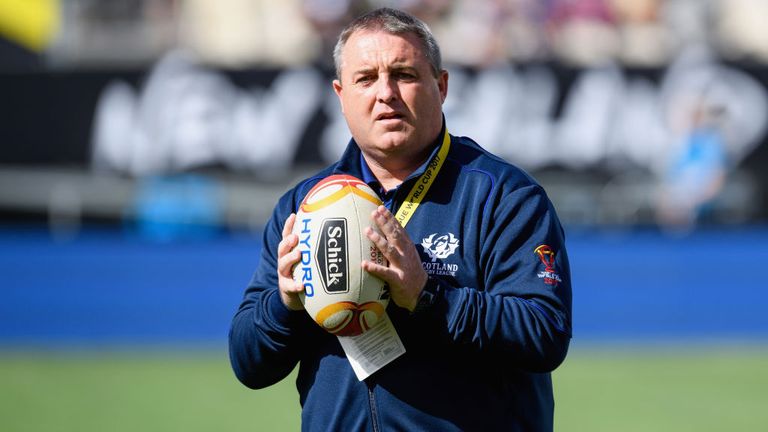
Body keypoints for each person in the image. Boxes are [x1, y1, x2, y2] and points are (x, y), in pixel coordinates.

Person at [229, 7, 572, 431]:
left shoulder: (504, 196)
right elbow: (248, 364)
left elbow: (544, 334)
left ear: (441, 86)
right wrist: (284, 306)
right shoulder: (302, 207)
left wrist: (428, 297)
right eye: (365, 79)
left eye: (404, 75)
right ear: (340, 94)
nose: (385, 93)